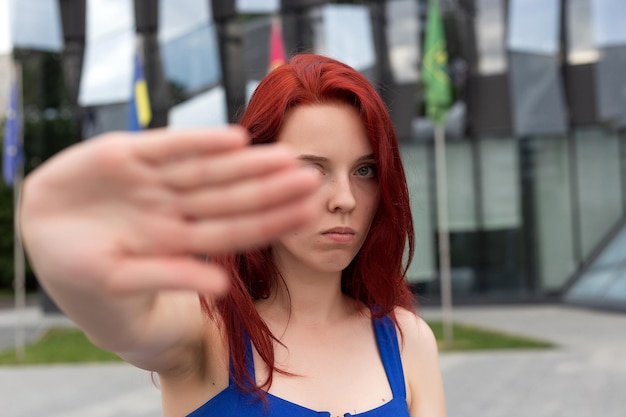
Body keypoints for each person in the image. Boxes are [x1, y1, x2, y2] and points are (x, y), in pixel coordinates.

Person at [19, 54, 446, 417]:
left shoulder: (408, 340)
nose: (345, 198)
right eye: (311, 169)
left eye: (364, 170)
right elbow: (125, 322)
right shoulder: (206, 334)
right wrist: (70, 264)